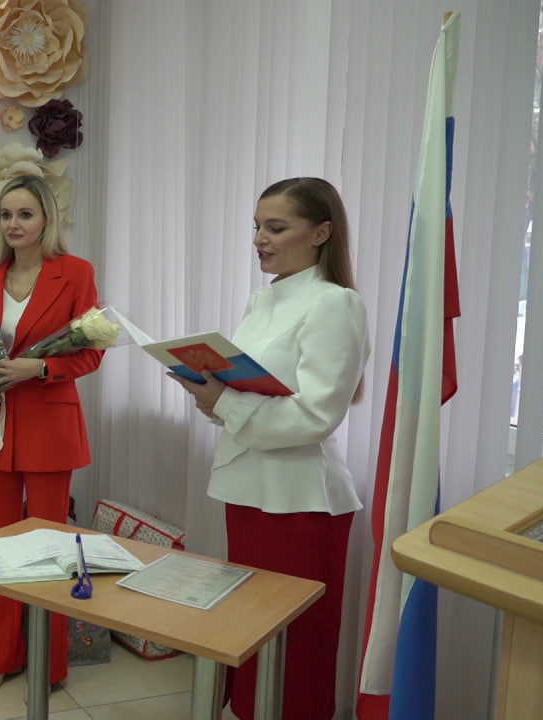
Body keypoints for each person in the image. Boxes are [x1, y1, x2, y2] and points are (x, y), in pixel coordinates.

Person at [170, 177, 369, 720]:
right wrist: (215, 397)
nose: (260, 239)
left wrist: (225, 403)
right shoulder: (264, 299)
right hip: (249, 486)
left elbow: (317, 415)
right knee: (249, 627)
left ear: (321, 233)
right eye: (257, 226)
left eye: (276, 227)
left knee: (296, 644)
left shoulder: (336, 303)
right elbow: (254, 394)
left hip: (300, 500)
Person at [0, 174, 104, 695]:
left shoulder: (76, 273)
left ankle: (49, 664)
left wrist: (40, 369)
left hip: (50, 427)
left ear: (47, 218)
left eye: (25, 214)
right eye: (6, 215)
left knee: (49, 548)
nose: (14, 223)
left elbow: (91, 353)